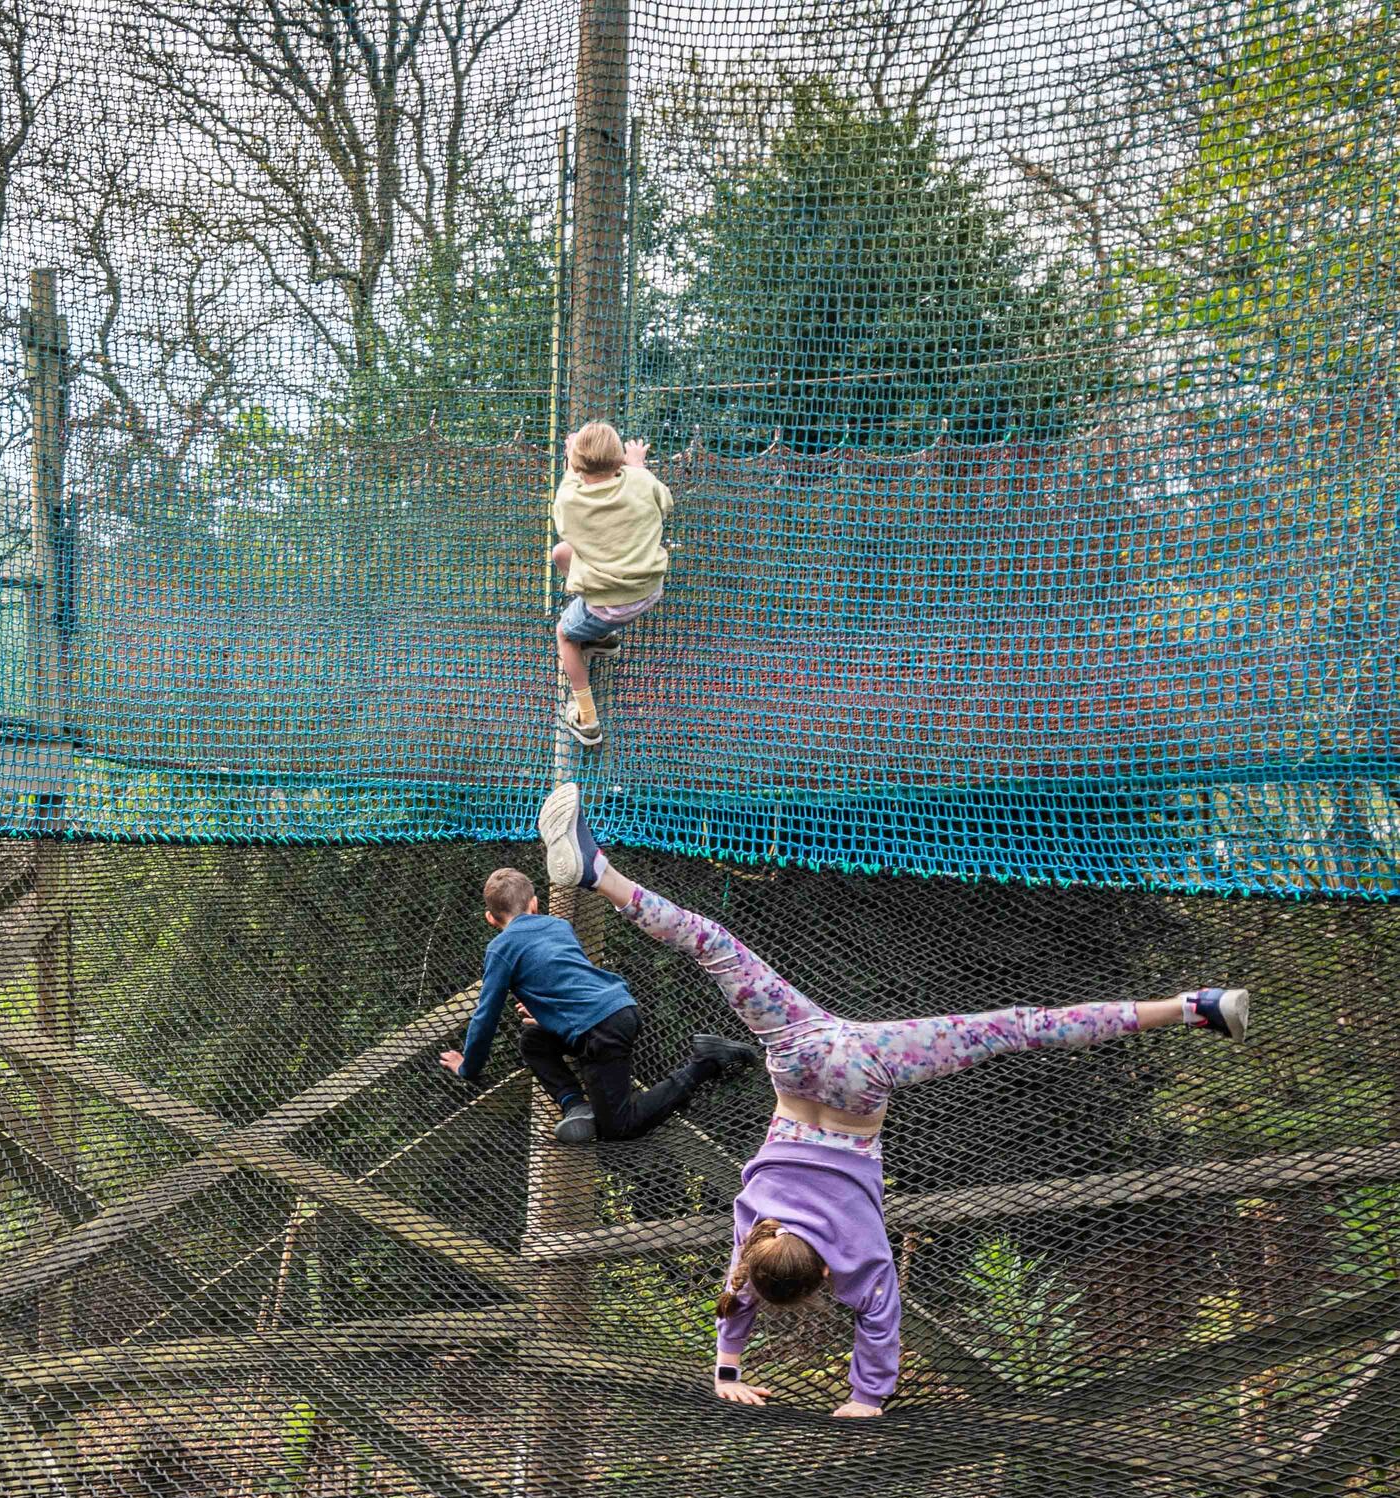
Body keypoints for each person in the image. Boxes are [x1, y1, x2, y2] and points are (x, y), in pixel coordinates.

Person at [537, 783, 1254, 1416]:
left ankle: (1196, 1008)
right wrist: (723, 1369)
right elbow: (736, 1291)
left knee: (1018, 1028)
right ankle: (597, 871)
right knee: (714, 946)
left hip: (862, 1078)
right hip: (799, 1055)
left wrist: (864, 1397)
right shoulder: (753, 1235)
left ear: (820, 1274)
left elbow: (878, 1320)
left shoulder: (850, 1259)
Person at [440, 864, 758, 1143]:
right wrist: (549, 1015)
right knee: (534, 1041)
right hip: (618, 1007)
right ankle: (576, 1106)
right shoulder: (558, 926)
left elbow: (486, 1017)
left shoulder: (501, 948)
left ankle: (706, 1061)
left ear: (490, 918)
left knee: (620, 1127)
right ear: (535, 904)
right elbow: (566, 980)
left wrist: (468, 1067)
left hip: (600, 1030)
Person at [549, 421, 671, 749]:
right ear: (619, 461)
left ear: (575, 465)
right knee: (562, 554)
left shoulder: (569, 500)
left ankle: (587, 719)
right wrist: (637, 465)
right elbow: (664, 501)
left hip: (610, 603)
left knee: (564, 634)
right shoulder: (641, 482)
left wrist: (571, 459)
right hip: (648, 589)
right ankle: (601, 638)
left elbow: (570, 493)